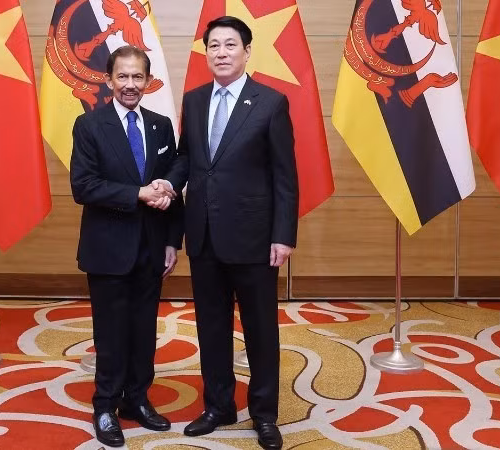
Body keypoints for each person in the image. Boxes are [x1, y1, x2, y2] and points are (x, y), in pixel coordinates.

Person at [163, 15, 299, 450]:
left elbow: (285, 177)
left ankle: (264, 414)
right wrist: (168, 182)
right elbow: (188, 160)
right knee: (211, 327)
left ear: (246, 51)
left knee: (261, 330)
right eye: (214, 46)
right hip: (203, 234)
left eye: (229, 46)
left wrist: (283, 234)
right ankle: (219, 405)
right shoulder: (196, 99)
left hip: (255, 238)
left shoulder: (271, 102)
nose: (221, 53)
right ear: (206, 53)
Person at [70, 45, 183, 448]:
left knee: (143, 330)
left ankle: (137, 399)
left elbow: (172, 180)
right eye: (123, 77)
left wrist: (173, 241)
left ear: (148, 81)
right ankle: (105, 405)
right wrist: (138, 193)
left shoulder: (160, 125)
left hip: (152, 248)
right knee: (111, 332)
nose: (131, 85)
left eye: (138, 77)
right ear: (109, 79)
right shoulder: (90, 125)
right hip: (108, 250)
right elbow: (83, 187)